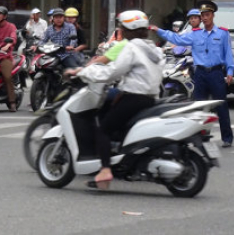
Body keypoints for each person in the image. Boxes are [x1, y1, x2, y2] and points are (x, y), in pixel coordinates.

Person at [67, 10, 164, 190]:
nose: (120, 30)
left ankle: (104, 171)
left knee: (103, 129)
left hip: (133, 97)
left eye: (122, 27)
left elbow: (112, 72)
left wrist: (83, 72)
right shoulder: (154, 48)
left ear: (128, 29)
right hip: (150, 98)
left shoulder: (131, 47)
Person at [154, 0, 234, 147]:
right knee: (198, 107)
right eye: (202, 15)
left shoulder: (223, 33)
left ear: (213, 16)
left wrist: (230, 71)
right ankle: (199, 136)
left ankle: (227, 138)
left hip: (216, 73)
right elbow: (177, 39)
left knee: (221, 106)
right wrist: (159, 31)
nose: (204, 18)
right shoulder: (195, 34)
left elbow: (228, 53)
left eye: (207, 15)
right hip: (201, 74)